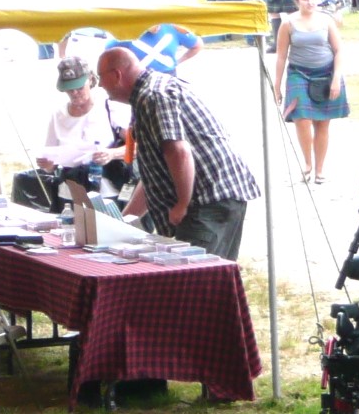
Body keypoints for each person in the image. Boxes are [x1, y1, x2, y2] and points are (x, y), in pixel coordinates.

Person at [98, 43, 261, 260]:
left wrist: (182, 203)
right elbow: (155, 173)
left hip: (208, 200)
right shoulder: (147, 94)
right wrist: (125, 218)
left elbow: (178, 152)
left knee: (195, 279)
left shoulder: (152, 96)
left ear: (117, 75)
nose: (99, 84)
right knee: (209, 277)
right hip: (215, 197)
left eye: (101, 77)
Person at [14, 56, 129, 211]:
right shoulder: (58, 115)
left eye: (79, 87)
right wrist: (48, 165)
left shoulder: (110, 108)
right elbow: (51, 161)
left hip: (106, 192)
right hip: (69, 193)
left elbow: (137, 147)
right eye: (69, 89)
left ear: (90, 79)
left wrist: (111, 154)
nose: (74, 93)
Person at [273, 0, 349, 184]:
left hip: (325, 73)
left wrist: (336, 79)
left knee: (322, 123)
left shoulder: (326, 21)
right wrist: (277, 85)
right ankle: (307, 164)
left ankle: (320, 169)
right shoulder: (288, 23)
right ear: (297, 1)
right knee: (302, 118)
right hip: (299, 73)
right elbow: (281, 56)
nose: (310, 2)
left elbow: (339, 51)